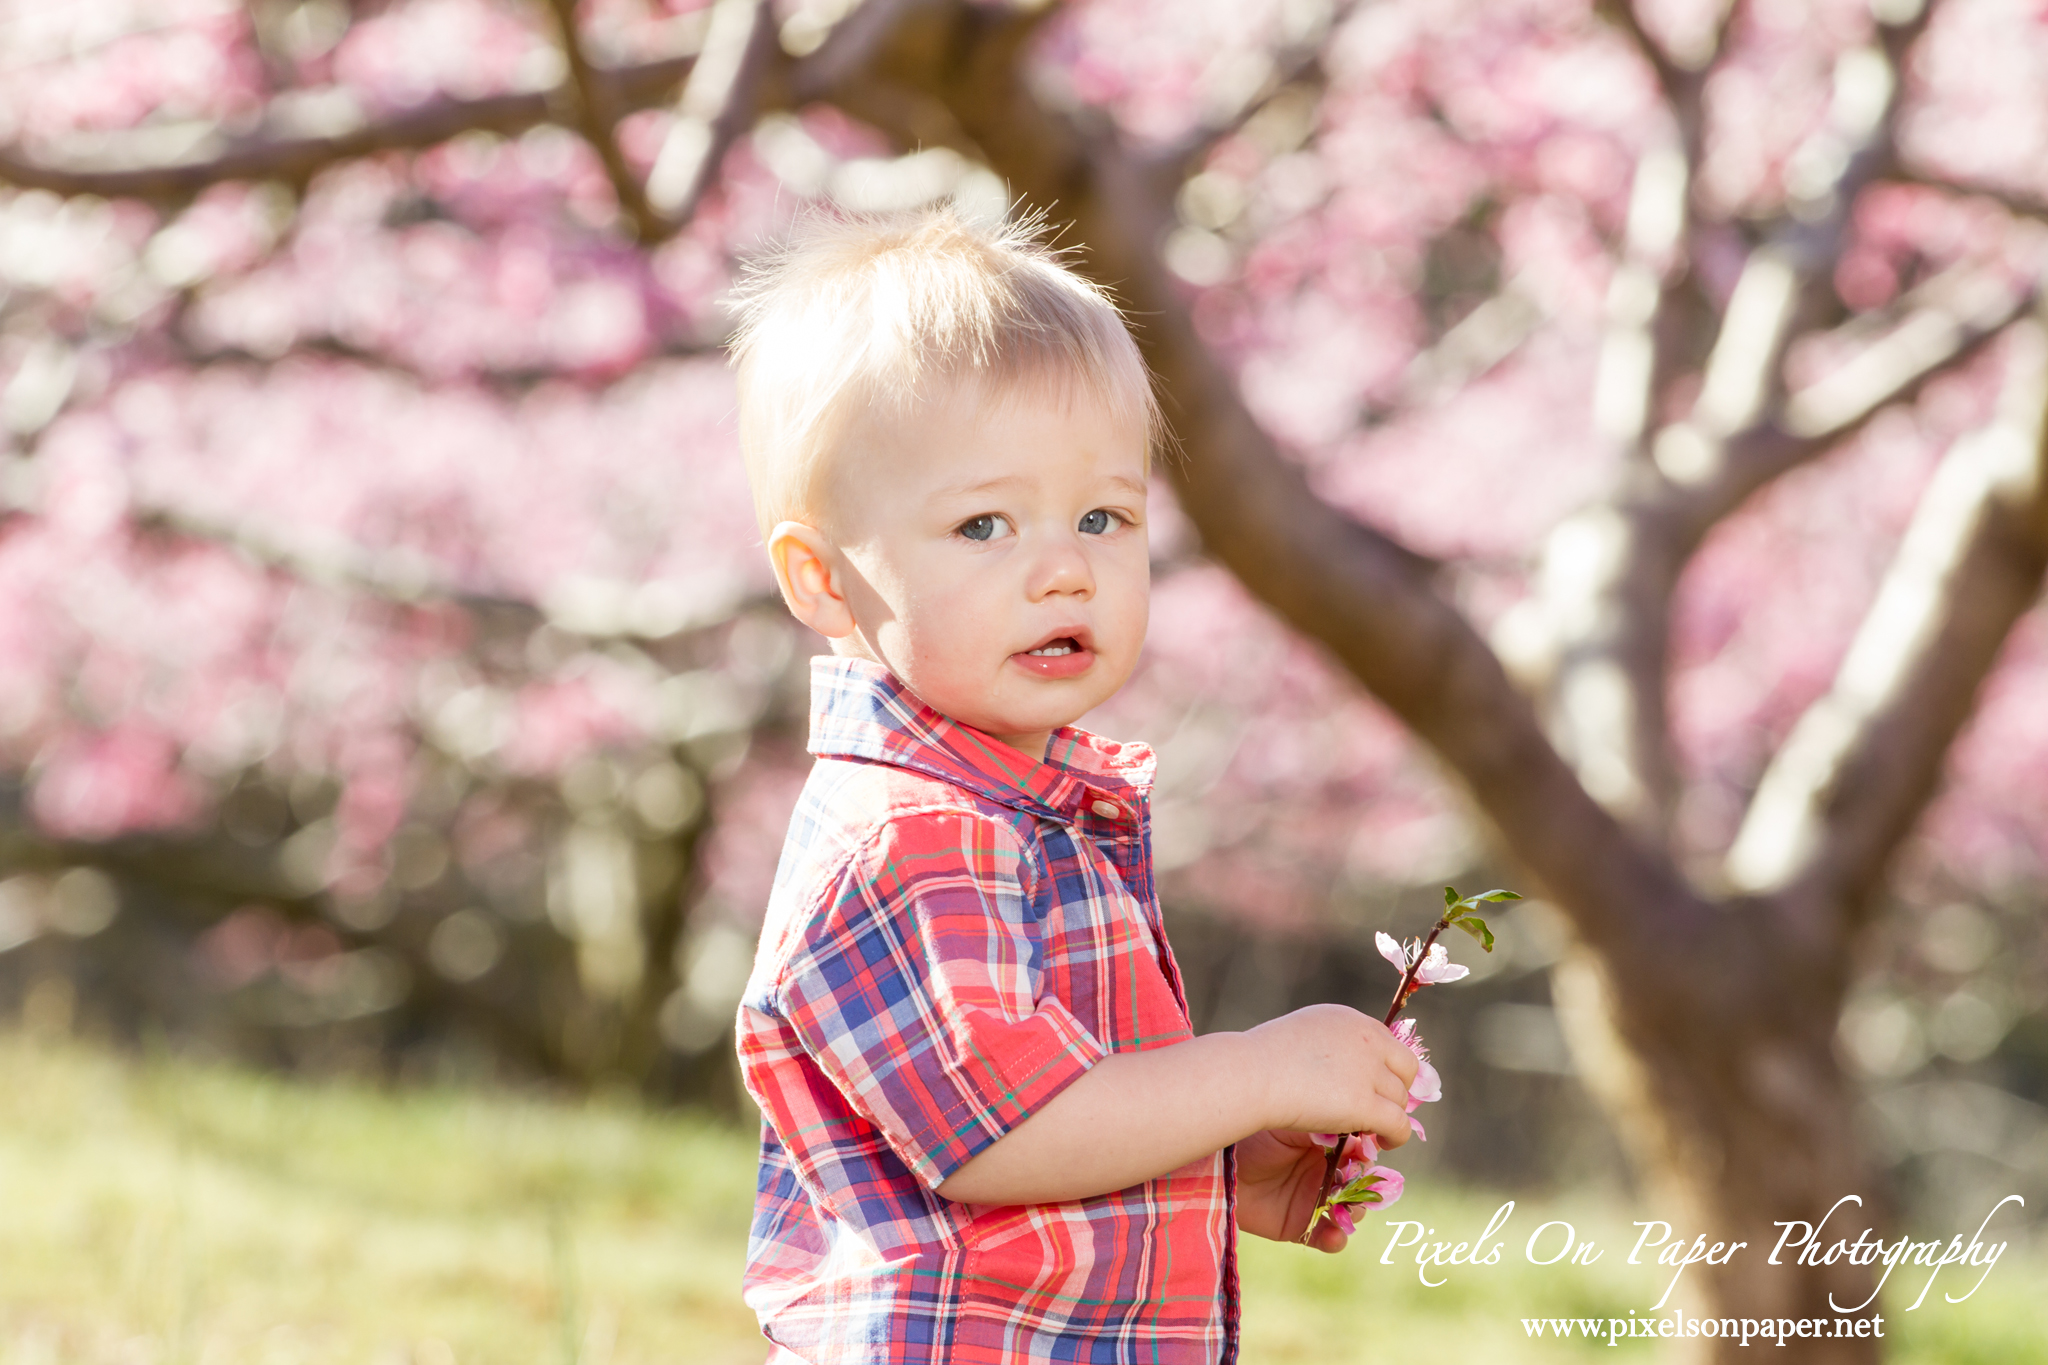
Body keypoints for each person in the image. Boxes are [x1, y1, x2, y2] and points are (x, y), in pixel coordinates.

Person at [728, 205, 1420, 1364]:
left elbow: (1064, 1103)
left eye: (1103, 515)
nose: (1063, 569)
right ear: (825, 581)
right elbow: (1007, 1134)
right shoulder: (908, 838)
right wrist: (1250, 1072)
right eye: (983, 524)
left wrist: (1224, 1162)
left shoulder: (1022, 816)